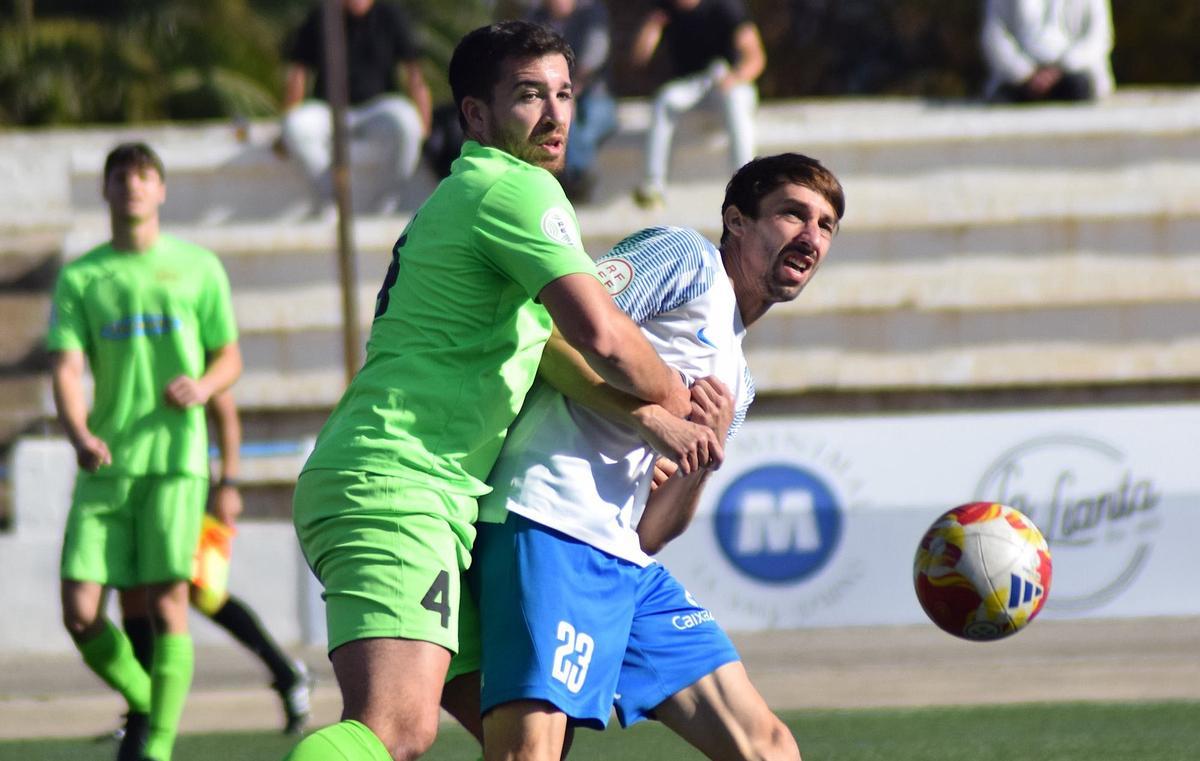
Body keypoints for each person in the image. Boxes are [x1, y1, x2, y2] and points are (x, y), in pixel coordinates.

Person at [284, 20, 719, 761]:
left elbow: (548, 352)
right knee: (395, 728)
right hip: (400, 486)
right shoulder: (514, 190)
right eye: (528, 95)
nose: (554, 115)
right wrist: (679, 396)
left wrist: (645, 417)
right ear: (476, 116)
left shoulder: (469, 198)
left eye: (564, 94)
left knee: (519, 738)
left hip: (417, 489)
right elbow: (603, 334)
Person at [469, 152, 845, 761]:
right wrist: (651, 418)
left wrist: (704, 458)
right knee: (530, 753)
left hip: (623, 557)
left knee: (767, 745)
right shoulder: (686, 258)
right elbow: (548, 334)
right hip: (551, 520)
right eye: (792, 214)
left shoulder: (739, 383)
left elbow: (652, 532)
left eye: (826, 225)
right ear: (738, 222)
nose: (811, 235)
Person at [49, 142, 243, 761]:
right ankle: (144, 699)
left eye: (144, 175)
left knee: (168, 602)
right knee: (80, 612)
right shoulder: (82, 278)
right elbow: (66, 368)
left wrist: (206, 386)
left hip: (175, 463)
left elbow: (229, 358)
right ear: (105, 191)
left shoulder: (199, 267)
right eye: (120, 177)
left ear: (160, 190)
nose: (132, 185)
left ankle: (153, 746)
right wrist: (79, 433)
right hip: (105, 463)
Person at [116, 390, 313, 737]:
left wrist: (229, 484)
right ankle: (141, 710)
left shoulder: (188, 342)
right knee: (139, 589)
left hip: (182, 480)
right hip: (134, 477)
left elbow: (223, 408)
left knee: (196, 590)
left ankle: (286, 674)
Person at [279, 0, 434, 214]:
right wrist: (285, 130)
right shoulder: (322, 16)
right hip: (328, 110)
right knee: (295, 126)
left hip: (378, 108)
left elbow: (414, 76)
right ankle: (333, 198)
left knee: (407, 123)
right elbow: (299, 75)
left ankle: (384, 205)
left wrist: (424, 127)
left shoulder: (390, 15)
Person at [629, 0, 766, 210]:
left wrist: (735, 77)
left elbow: (755, 57)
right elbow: (639, 58)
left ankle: (745, 183)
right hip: (692, 86)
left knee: (736, 100)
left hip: (728, 82)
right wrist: (653, 26)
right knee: (664, 100)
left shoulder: (724, 6)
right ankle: (653, 184)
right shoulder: (665, 9)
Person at [526, 0, 618, 203]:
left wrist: (568, 92)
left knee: (583, 128)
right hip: (551, 95)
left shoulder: (592, 13)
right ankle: (575, 180)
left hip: (595, 95)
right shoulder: (535, 17)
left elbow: (595, 54)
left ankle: (576, 178)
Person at [981, 0, 1115, 103]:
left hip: (1073, 78)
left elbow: (1098, 38)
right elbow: (995, 36)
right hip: (1019, 82)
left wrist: (1061, 68)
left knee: (1080, 88)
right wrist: (1026, 73)